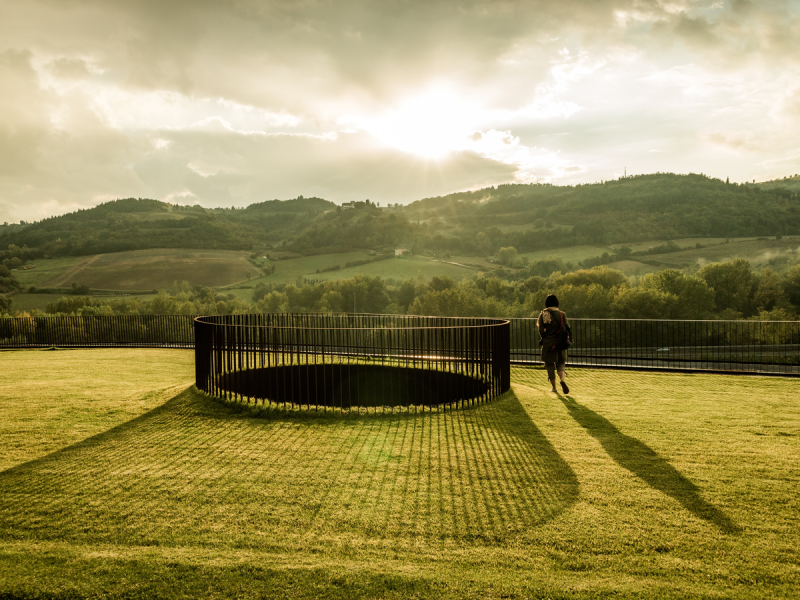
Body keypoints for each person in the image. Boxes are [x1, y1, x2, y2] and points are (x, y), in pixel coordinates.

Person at [535, 294, 570, 394]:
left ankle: (554, 388)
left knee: (550, 365)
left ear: (547, 303)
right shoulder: (562, 314)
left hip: (549, 343)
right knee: (560, 364)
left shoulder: (544, 314)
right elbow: (567, 328)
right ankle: (562, 380)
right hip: (560, 343)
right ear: (557, 303)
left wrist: (545, 337)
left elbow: (541, 330)